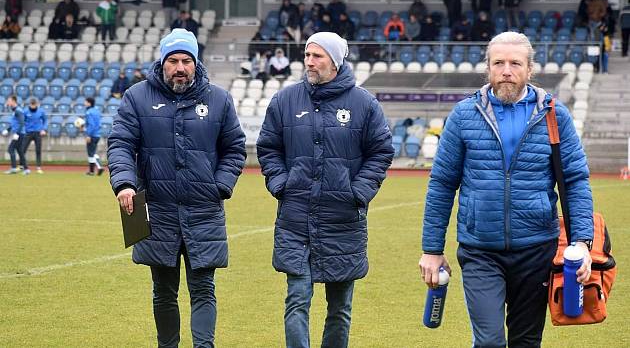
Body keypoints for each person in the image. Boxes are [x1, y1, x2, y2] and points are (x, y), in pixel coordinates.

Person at [418, 32, 593, 348]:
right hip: (479, 249)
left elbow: (575, 180)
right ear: (488, 68)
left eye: (515, 63)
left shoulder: (555, 115)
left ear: (530, 69)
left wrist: (581, 242)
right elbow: (442, 184)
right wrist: (432, 249)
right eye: (498, 63)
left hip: (537, 248)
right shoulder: (463, 115)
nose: (506, 70)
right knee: (489, 342)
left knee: (526, 342)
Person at [107, 28, 246, 348]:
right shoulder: (137, 97)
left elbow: (235, 149)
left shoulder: (219, 99)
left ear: (196, 63)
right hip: (154, 209)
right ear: (162, 61)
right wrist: (125, 184)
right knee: (163, 292)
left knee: (204, 290)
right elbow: (120, 145)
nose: (180, 67)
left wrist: (220, 185)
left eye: (186, 60)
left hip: (204, 209)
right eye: (173, 60)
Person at [256, 31, 394, 348]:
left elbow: (381, 152)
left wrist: (358, 191)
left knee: (340, 309)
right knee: (297, 298)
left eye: (317, 56)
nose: (309, 62)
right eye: (307, 55)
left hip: (343, 220)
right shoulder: (285, 100)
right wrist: (280, 183)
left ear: (335, 61)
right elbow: (268, 148)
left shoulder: (364, 104)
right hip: (296, 220)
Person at [22, 98, 48, 175]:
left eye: (34, 104)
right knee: (23, 150)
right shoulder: (25, 111)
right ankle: (24, 167)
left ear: (37, 104)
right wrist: (23, 130)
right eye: (31, 104)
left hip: (38, 133)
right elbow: (22, 121)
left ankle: (39, 167)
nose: (33, 106)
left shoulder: (41, 111)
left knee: (38, 150)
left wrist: (44, 129)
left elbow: (45, 120)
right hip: (28, 133)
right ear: (29, 104)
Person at [2, 95, 25, 174]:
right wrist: (8, 130)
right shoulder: (14, 110)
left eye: (9, 100)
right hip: (18, 133)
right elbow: (15, 123)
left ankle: (14, 168)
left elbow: (22, 123)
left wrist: (17, 134)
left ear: (13, 101)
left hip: (19, 134)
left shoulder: (18, 110)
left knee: (10, 149)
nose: (8, 102)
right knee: (20, 151)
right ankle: (25, 168)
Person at [82, 97, 104, 176]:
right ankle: (91, 171)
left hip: (92, 135)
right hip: (97, 134)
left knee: (91, 153)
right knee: (93, 152)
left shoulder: (89, 112)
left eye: (85, 102)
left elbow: (91, 124)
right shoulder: (97, 111)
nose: (84, 103)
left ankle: (99, 167)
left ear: (89, 103)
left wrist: (88, 135)